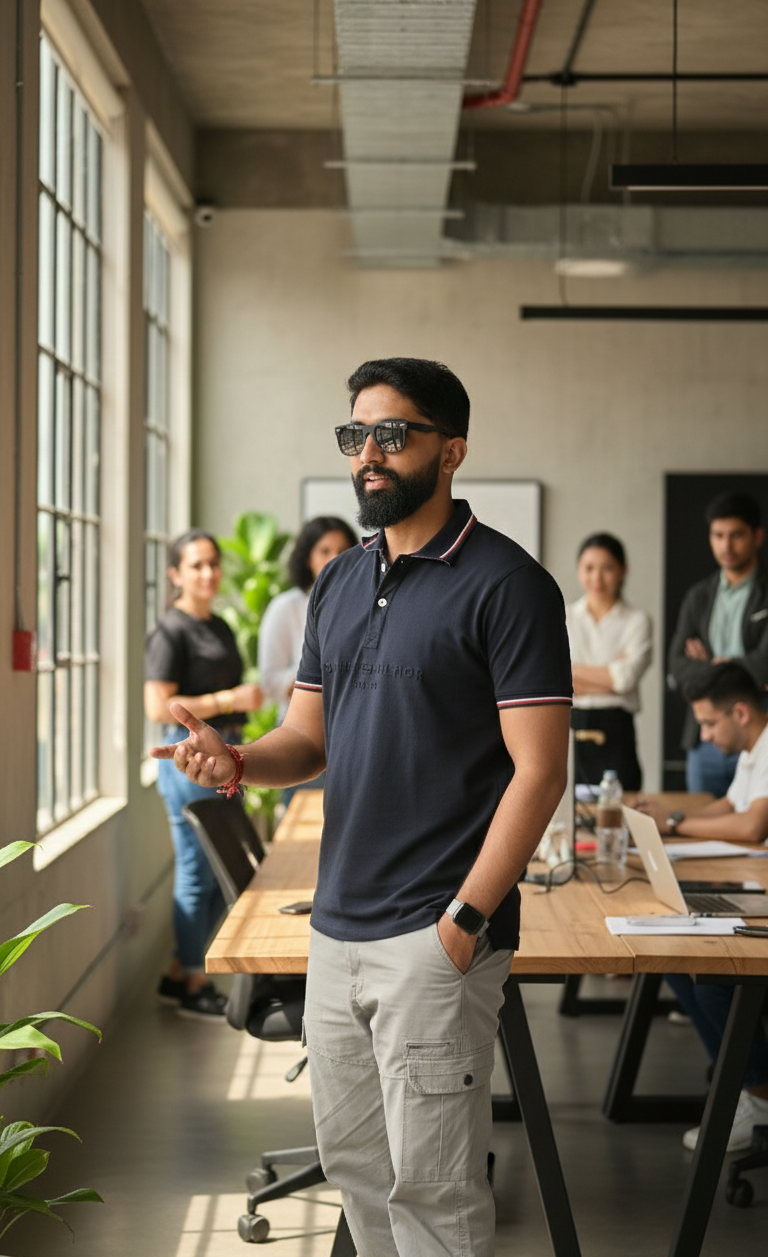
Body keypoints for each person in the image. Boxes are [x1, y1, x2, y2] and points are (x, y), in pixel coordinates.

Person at [151, 357, 572, 1257]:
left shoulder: (509, 585)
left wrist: (462, 921)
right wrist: (233, 761)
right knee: (360, 1177)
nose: (368, 454)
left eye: (392, 433)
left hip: (433, 936)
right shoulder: (339, 583)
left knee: (435, 1196)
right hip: (337, 932)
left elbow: (540, 772)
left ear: (451, 449)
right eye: (355, 435)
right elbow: (306, 741)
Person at [638, 663, 768, 1150]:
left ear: (740, 711)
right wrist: (673, 822)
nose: (706, 736)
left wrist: (674, 821)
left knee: (712, 973)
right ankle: (746, 1083)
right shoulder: (755, 750)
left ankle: (757, 1094)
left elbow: (753, 826)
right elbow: (729, 807)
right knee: (678, 963)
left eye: (711, 724)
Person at [144, 529, 263, 1020]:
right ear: (175, 574)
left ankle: (178, 972)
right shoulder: (171, 631)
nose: (209, 573)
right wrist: (229, 700)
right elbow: (157, 706)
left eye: (213, 563)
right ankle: (194, 979)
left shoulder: (219, 625)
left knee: (218, 870)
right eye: (196, 566)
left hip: (224, 761)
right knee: (198, 870)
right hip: (188, 765)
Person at [668, 492, 768, 796]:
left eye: (736, 535)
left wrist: (709, 664)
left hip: (757, 728)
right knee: (705, 825)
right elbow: (677, 664)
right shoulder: (699, 595)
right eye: (718, 535)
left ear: (757, 536)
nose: (726, 545)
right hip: (705, 739)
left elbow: (763, 664)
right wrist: (730, 665)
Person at [259, 516, 358, 805]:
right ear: (307, 558)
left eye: (343, 550)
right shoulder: (285, 608)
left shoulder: (370, 604)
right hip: (304, 739)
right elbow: (271, 685)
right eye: (324, 551)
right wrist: (322, 665)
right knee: (301, 841)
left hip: (355, 742)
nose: (335, 559)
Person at [566, 532, 652, 790]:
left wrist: (575, 675)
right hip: (570, 724)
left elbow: (625, 680)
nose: (597, 578)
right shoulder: (564, 616)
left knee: (620, 809)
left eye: (607, 568)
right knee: (569, 813)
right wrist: (609, 677)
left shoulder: (637, 620)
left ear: (623, 571)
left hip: (617, 728)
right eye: (589, 568)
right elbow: (555, 677)